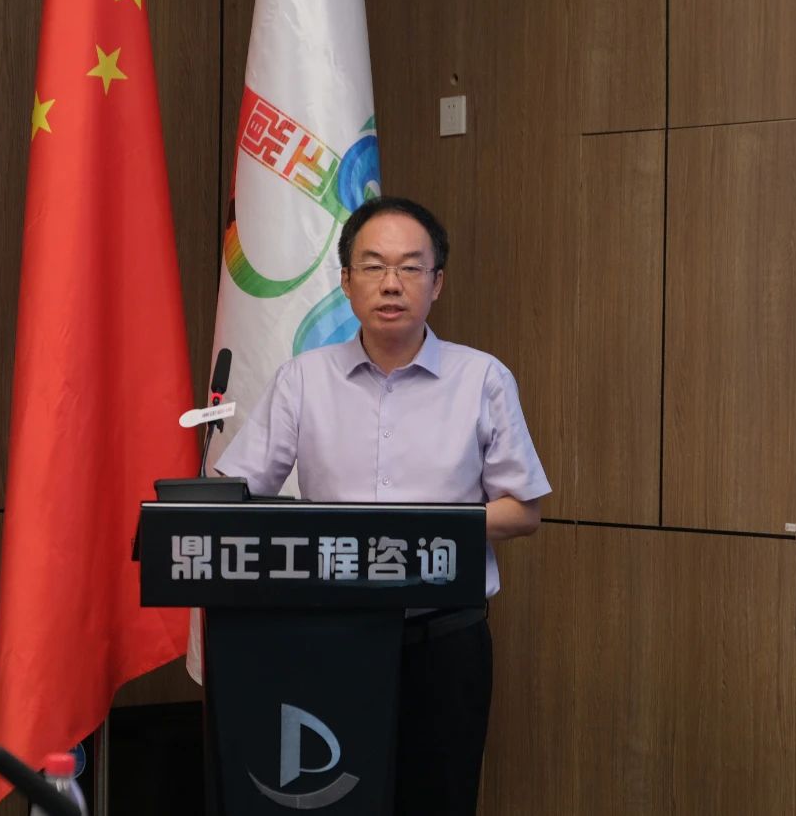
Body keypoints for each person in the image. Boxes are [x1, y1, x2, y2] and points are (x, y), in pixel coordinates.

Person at [215, 195, 550, 815]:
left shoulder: (482, 379)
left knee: (438, 801)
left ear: (437, 282)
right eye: (372, 266)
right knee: (331, 802)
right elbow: (238, 492)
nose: (391, 284)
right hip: (326, 637)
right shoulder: (303, 379)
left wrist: (416, 532)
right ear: (346, 281)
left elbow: (522, 511)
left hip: (443, 639)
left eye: (410, 267)